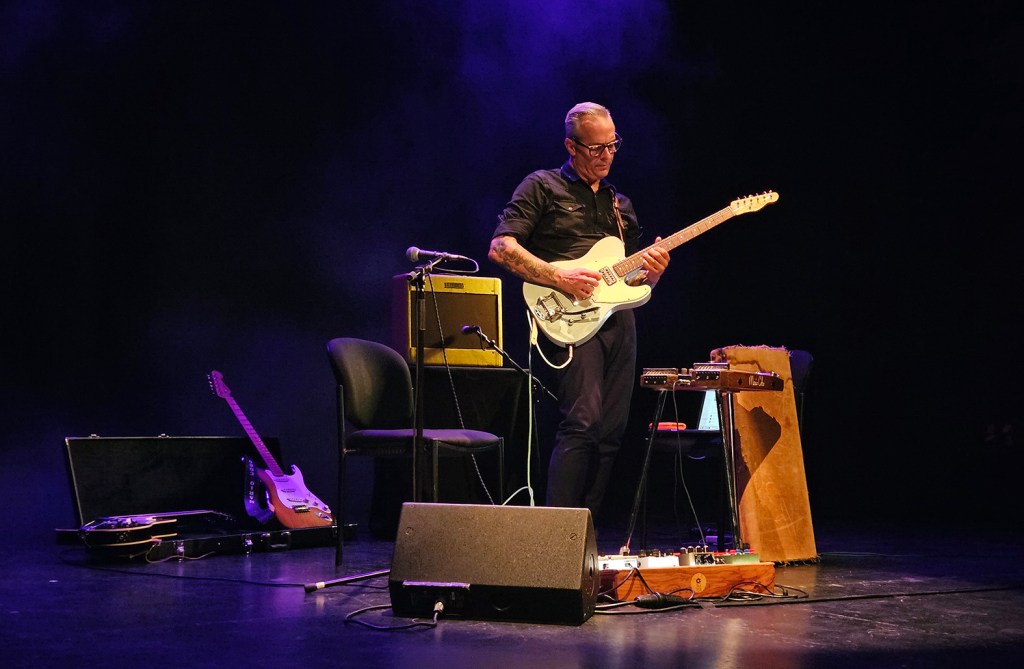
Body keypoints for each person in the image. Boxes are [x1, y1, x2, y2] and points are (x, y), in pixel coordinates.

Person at [488, 101, 671, 518]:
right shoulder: (542, 186)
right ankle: (558, 535)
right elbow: (501, 247)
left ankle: (584, 534)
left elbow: (630, 282)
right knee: (582, 423)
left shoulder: (620, 205)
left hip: (618, 321)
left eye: (613, 145)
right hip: (568, 316)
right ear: (571, 146)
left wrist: (653, 274)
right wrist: (559, 277)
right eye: (596, 148)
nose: (607, 155)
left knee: (611, 432)